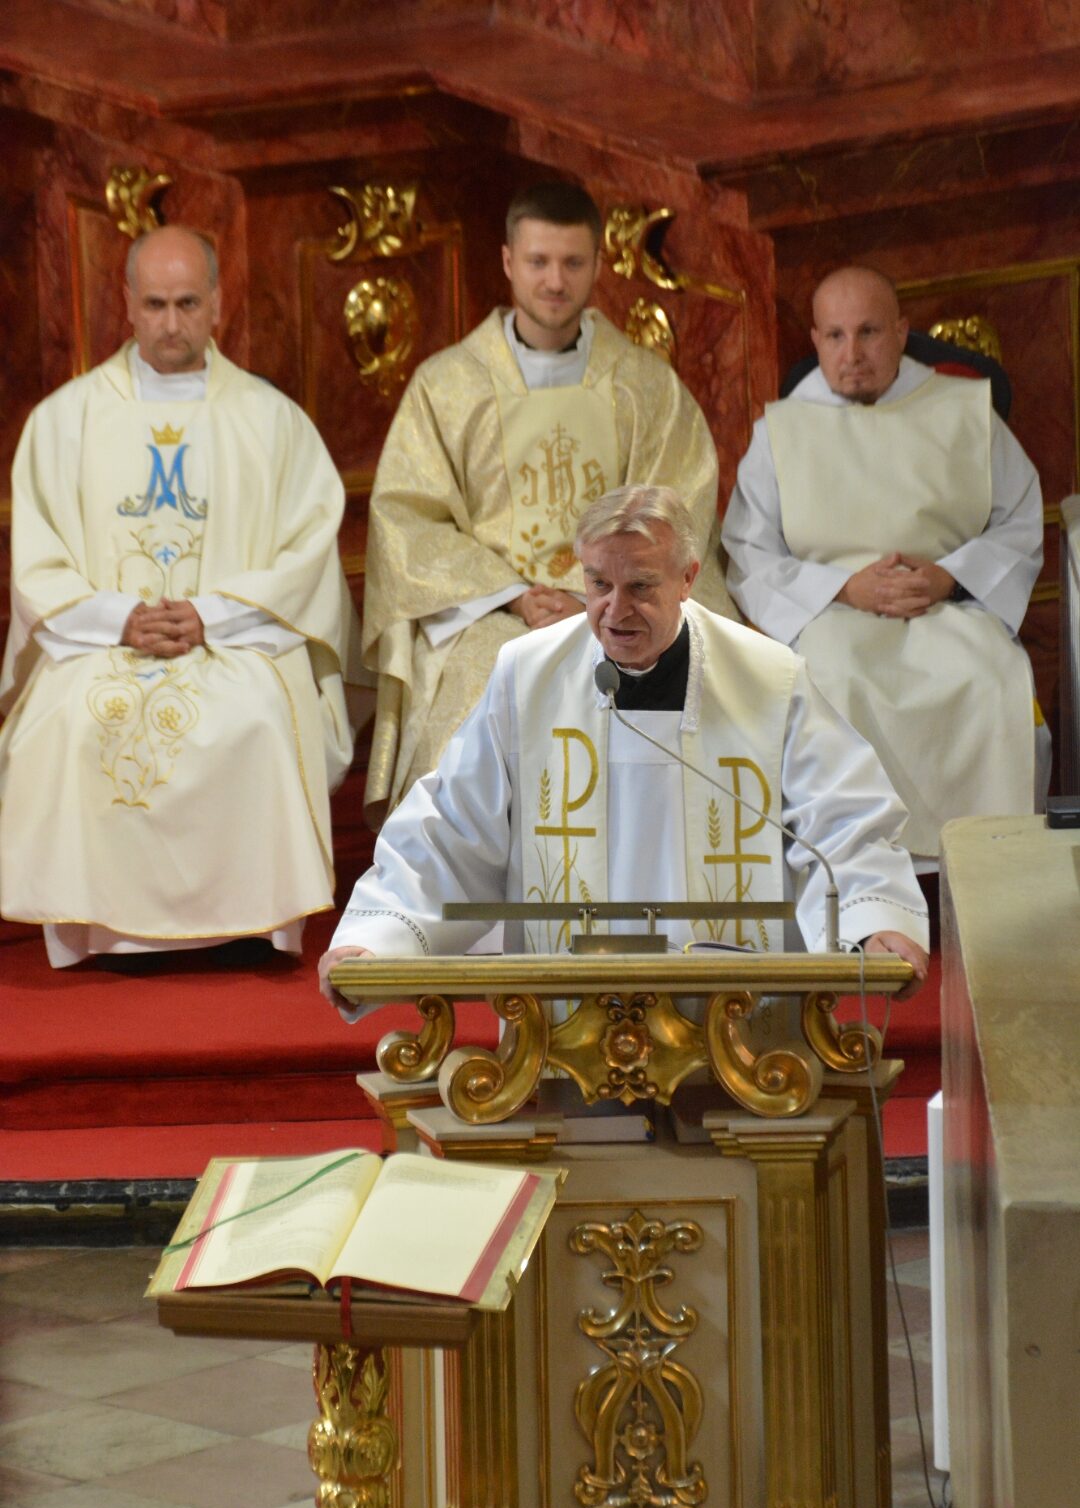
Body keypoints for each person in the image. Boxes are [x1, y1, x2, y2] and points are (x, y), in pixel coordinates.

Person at [320, 485, 928, 1009]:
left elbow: (839, 818)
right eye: (598, 584)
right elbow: (452, 825)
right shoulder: (527, 674)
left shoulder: (767, 679)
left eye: (640, 585)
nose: (615, 610)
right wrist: (376, 938)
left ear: (688, 578)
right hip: (569, 1018)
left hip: (738, 1022)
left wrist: (873, 919)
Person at [0, 224, 364, 967]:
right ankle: (91, 922)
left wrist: (212, 615)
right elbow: (38, 562)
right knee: (72, 719)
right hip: (102, 640)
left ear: (219, 304)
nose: (172, 324)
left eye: (188, 304)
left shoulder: (271, 420)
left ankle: (255, 920)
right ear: (127, 303)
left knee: (258, 716)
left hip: (235, 639)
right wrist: (119, 619)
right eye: (156, 304)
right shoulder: (65, 421)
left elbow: (307, 552)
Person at [361, 180, 730, 824]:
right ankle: (478, 883)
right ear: (508, 261)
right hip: (492, 612)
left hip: (621, 608)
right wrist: (515, 595)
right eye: (538, 261)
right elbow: (407, 521)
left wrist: (596, 596)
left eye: (572, 262)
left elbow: (679, 510)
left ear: (598, 264)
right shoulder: (448, 386)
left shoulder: (645, 386)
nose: (555, 281)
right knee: (479, 685)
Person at [721, 265, 1046, 862]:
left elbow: (1020, 520)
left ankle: (988, 871)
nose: (852, 354)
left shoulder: (965, 411)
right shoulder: (781, 432)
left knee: (989, 677)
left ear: (901, 331)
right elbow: (747, 549)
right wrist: (843, 587)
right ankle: (856, 875)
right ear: (816, 340)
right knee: (831, 682)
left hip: (947, 611)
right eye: (835, 336)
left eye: (868, 332)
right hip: (833, 618)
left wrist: (950, 576)